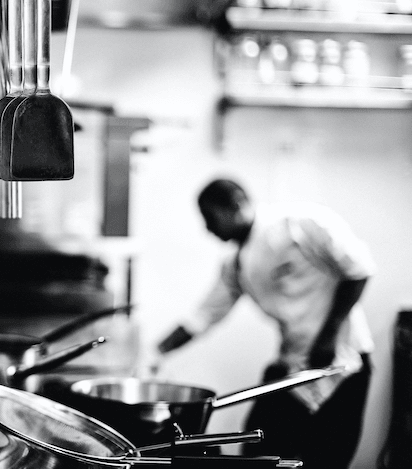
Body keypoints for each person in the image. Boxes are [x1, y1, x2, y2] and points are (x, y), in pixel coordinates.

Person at [156, 178, 375, 469]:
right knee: (259, 446)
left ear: (236, 204)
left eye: (210, 217)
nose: (207, 228)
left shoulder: (301, 224)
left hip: (342, 361)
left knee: (326, 456)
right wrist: (155, 353)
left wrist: (329, 336)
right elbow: (203, 317)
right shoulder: (235, 264)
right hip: (294, 362)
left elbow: (359, 270)